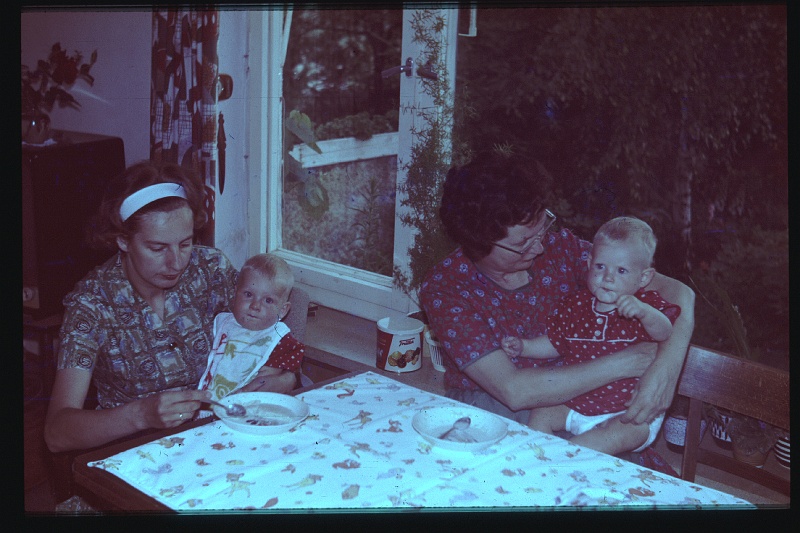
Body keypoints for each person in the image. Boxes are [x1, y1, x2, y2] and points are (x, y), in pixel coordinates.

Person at [419, 151, 694, 433]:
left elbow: (680, 293)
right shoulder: (446, 288)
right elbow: (514, 391)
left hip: (583, 400)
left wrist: (666, 368)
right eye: (524, 243)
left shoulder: (560, 249)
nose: (540, 246)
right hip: (495, 411)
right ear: (478, 243)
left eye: (542, 228)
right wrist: (626, 363)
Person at [44, 161, 297, 455]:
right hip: (136, 451)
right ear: (123, 241)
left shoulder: (210, 269)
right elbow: (56, 433)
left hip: (218, 435)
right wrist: (140, 415)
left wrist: (285, 379)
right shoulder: (92, 304)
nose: (176, 262)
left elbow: (265, 332)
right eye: (157, 248)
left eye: (185, 244)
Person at [500, 216, 680, 455]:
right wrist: (525, 347)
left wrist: (645, 313)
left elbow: (665, 331)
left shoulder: (643, 306)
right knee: (541, 413)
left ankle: (564, 459)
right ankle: (537, 455)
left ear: (644, 277)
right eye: (600, 267)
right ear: (589, 263)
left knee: (623, 433)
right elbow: (556, 342)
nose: (608, 277)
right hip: (578, 402)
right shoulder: (576, 305)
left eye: (621, 270)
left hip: (624, 410)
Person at [198, 253, 305, 405]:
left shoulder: (279, 338)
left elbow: (291, 368)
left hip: (253, 406)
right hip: (209, 405)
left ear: (282, 310)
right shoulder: (223, 324)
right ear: (235, 294)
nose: (255, 306)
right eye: (248, 294)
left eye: (268, 300)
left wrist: (281, 372)